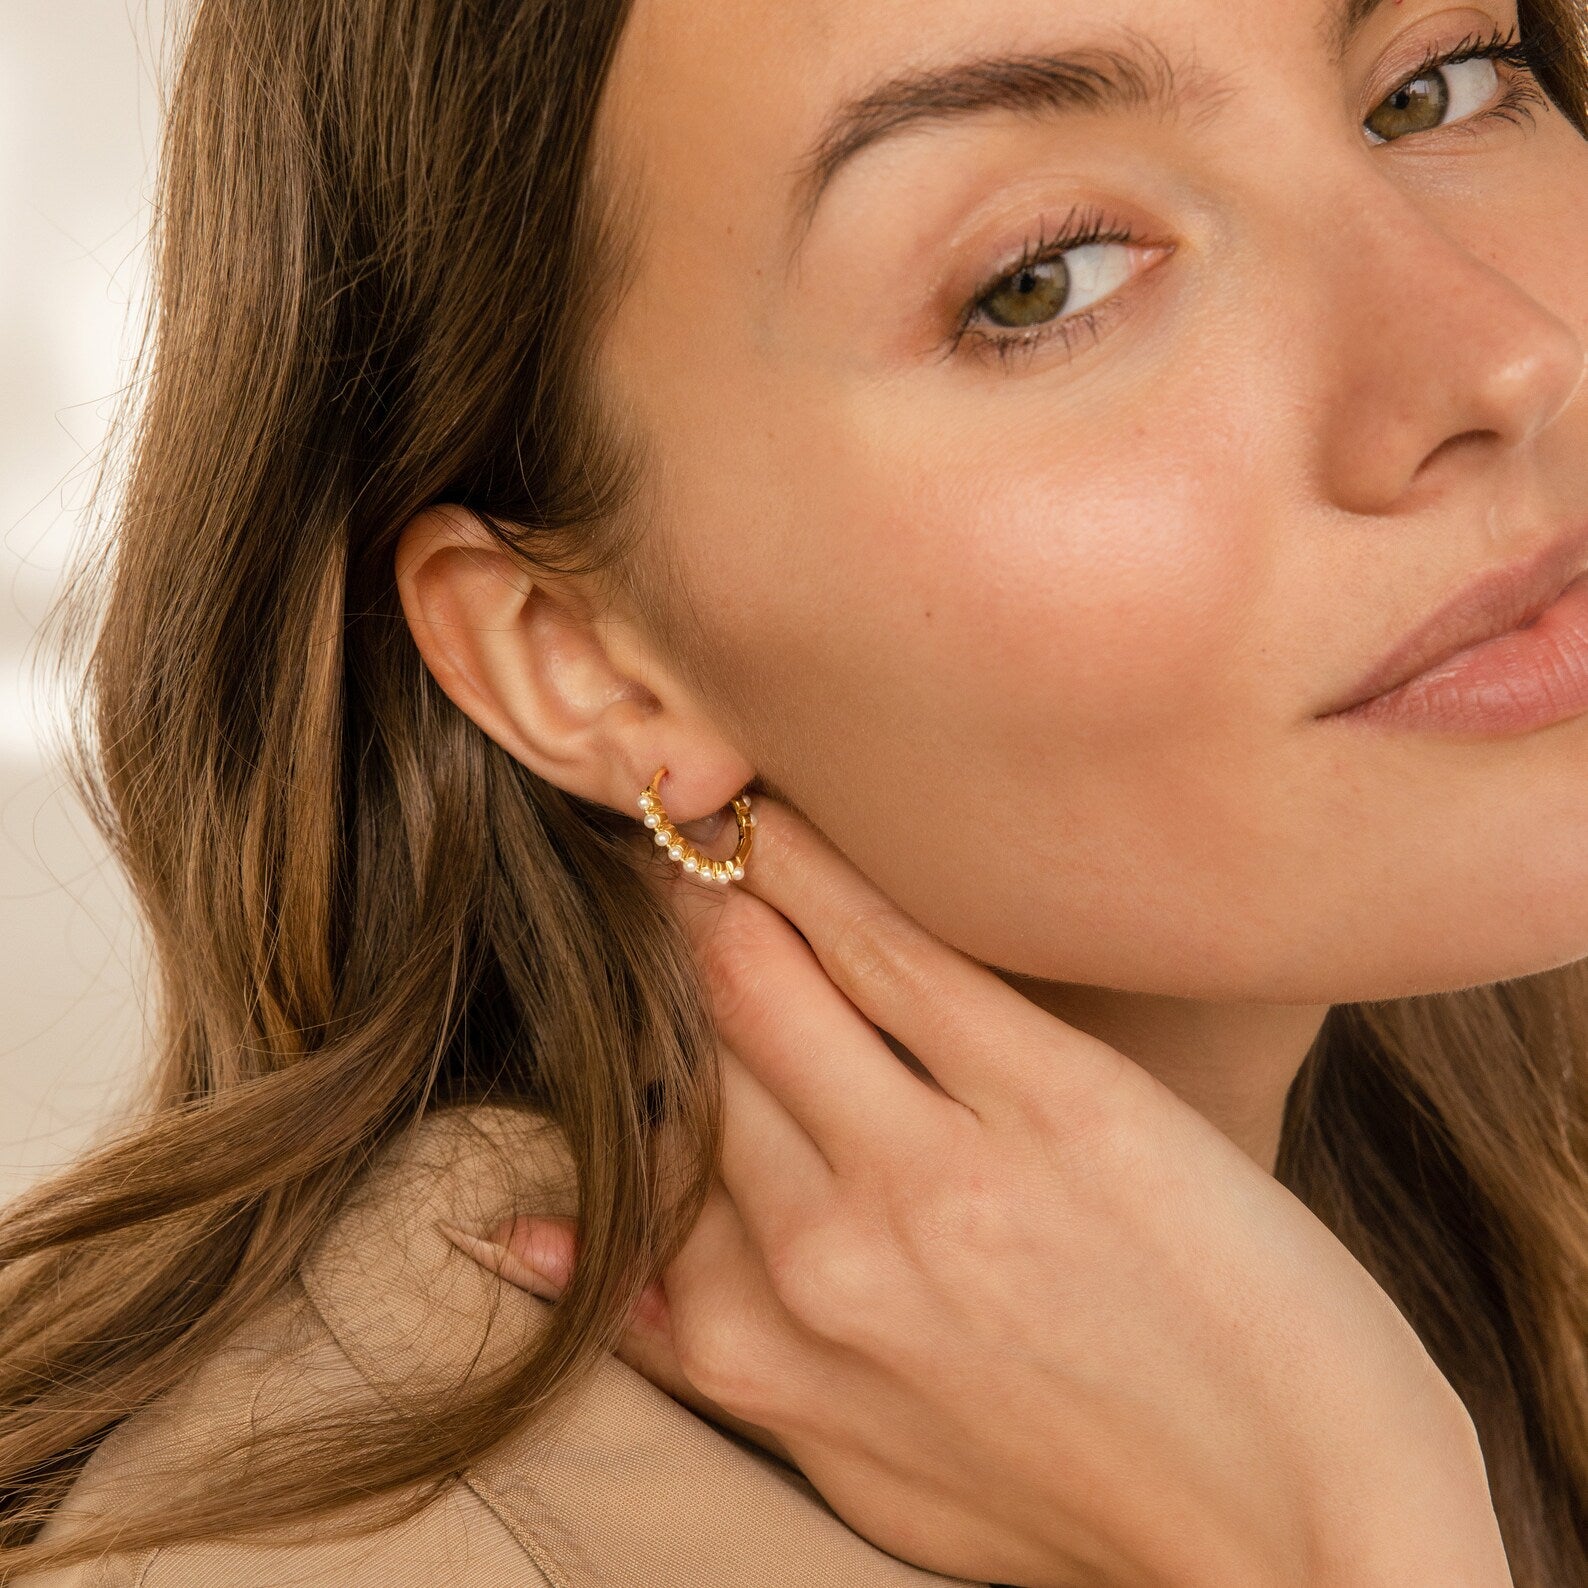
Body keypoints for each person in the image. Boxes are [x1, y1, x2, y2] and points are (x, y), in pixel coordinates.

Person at [3, 0, 1586, 1580]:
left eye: (1433, 89)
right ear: (580, 661)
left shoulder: (1485, 1164)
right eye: (1043, 279)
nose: (1506, 353)